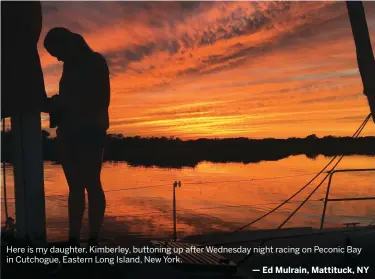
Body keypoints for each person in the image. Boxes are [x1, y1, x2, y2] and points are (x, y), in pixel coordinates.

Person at [43, 27, 110, 247]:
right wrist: (58, 104)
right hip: (69, 133)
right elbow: (70, 98)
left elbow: (101, 99)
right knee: (75, 187)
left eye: (57, 52)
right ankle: (73, 238)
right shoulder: (69, 67)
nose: (58, 58)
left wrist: (62, 104)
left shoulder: (95, 63)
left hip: (89, 132)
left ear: (67, 44)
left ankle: (93, 239)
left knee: (92, 184)